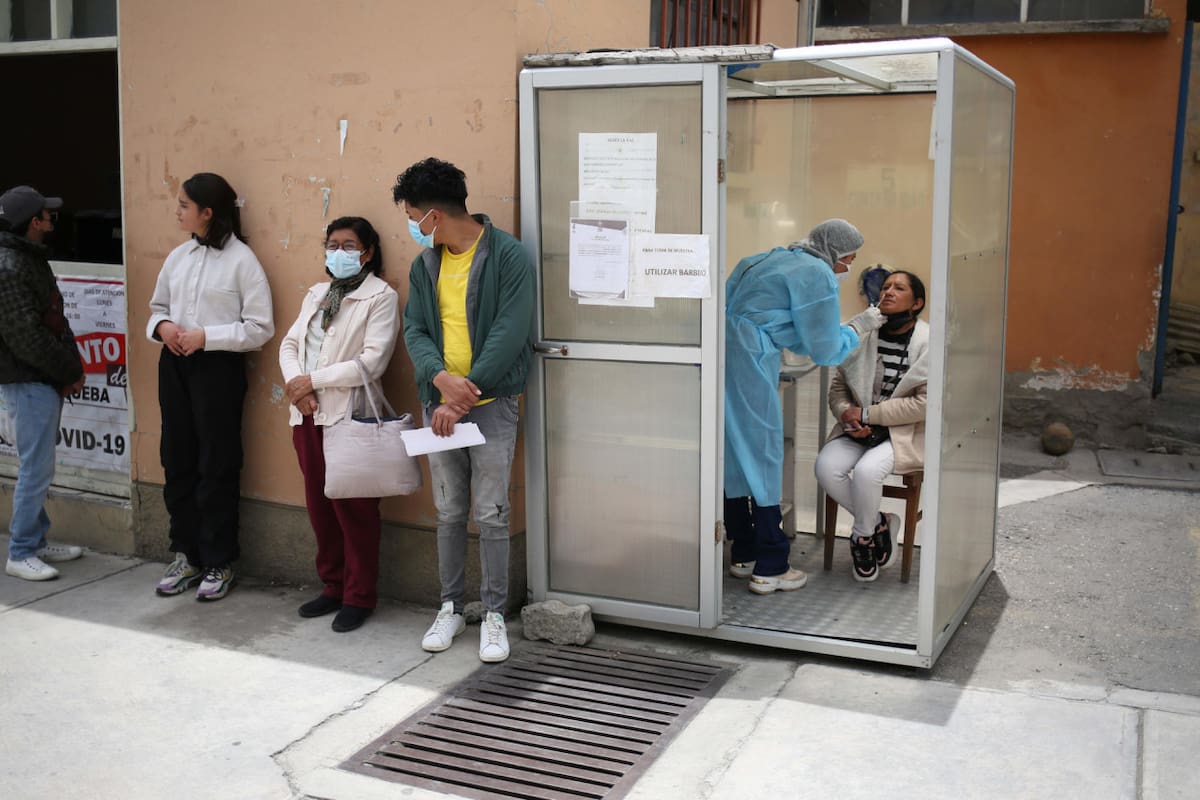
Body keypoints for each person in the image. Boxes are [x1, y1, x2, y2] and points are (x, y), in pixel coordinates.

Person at [393, 157, 535, 663]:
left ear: (433, 213)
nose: (410, 225)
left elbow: (510, 333)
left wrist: (464, 393)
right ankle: (451, 605)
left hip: (491, 406)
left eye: (411, 214)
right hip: (439, 406)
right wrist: (438, 381)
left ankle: (494, 615)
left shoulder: (508, 257)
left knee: (492, 513)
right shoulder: (426, 263)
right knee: (450, 511)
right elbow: (416, 329)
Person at [725, 219, 884, 595]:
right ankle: (770, 565)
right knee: (763, 454)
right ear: (833, 252)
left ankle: (743, 550)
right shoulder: (816, 273)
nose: (846, 268)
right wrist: (859, 327)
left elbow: (777, 320)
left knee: (732, 452)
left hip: (724, 352)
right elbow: (825, 348)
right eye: (848, 259)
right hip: (750, 359)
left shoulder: (765, 258)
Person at [147, 172, 274, 601]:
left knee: (216, 461)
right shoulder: (178, 256)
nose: (177, 211)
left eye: (184, 205)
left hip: (217, 368)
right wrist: (163, 326)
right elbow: (158, 306)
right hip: (175, 366)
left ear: (208, 212)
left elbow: (260, 328)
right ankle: (186, 553)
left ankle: (219, 560)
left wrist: (207, 337)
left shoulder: (243, 261)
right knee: (175, 456)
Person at [279, 216, 399, 632]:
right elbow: (291, 344)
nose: (339, 252)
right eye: (333, 244)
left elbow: (372, 361)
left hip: (349, 417)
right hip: (307, 414)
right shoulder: (317, 293)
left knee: (355, 510)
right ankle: (332, 586)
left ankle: (359, 595)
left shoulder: (380, 296)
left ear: (367, 252)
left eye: (350, 245)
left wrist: (314, 381)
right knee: (319, 507)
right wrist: (299, 389)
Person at [815, 270, 928, 582]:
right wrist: (846, 416)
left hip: (903, 433)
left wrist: (866, 415)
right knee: (826, 467)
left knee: (867, 471)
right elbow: (838, 390)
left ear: (916, 303)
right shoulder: (863, 334)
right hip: (857, 428)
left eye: (899, 288)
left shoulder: (928, 341)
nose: (888, 292)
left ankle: (862, 537)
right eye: (886, 286)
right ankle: (880, 522)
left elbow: (923, 405)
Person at [0, 186, 86, 581]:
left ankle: (34, 540)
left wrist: (70, 368)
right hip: (29, 379)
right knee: (36, 468)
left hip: (40, 378)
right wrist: (67, 371)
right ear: (34, 223)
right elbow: (26, 337)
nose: (53, 219)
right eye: (47, 215)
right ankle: (20, 551)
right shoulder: (9, 266)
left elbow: (53, 317)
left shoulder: (27, 258)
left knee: (40, 464)